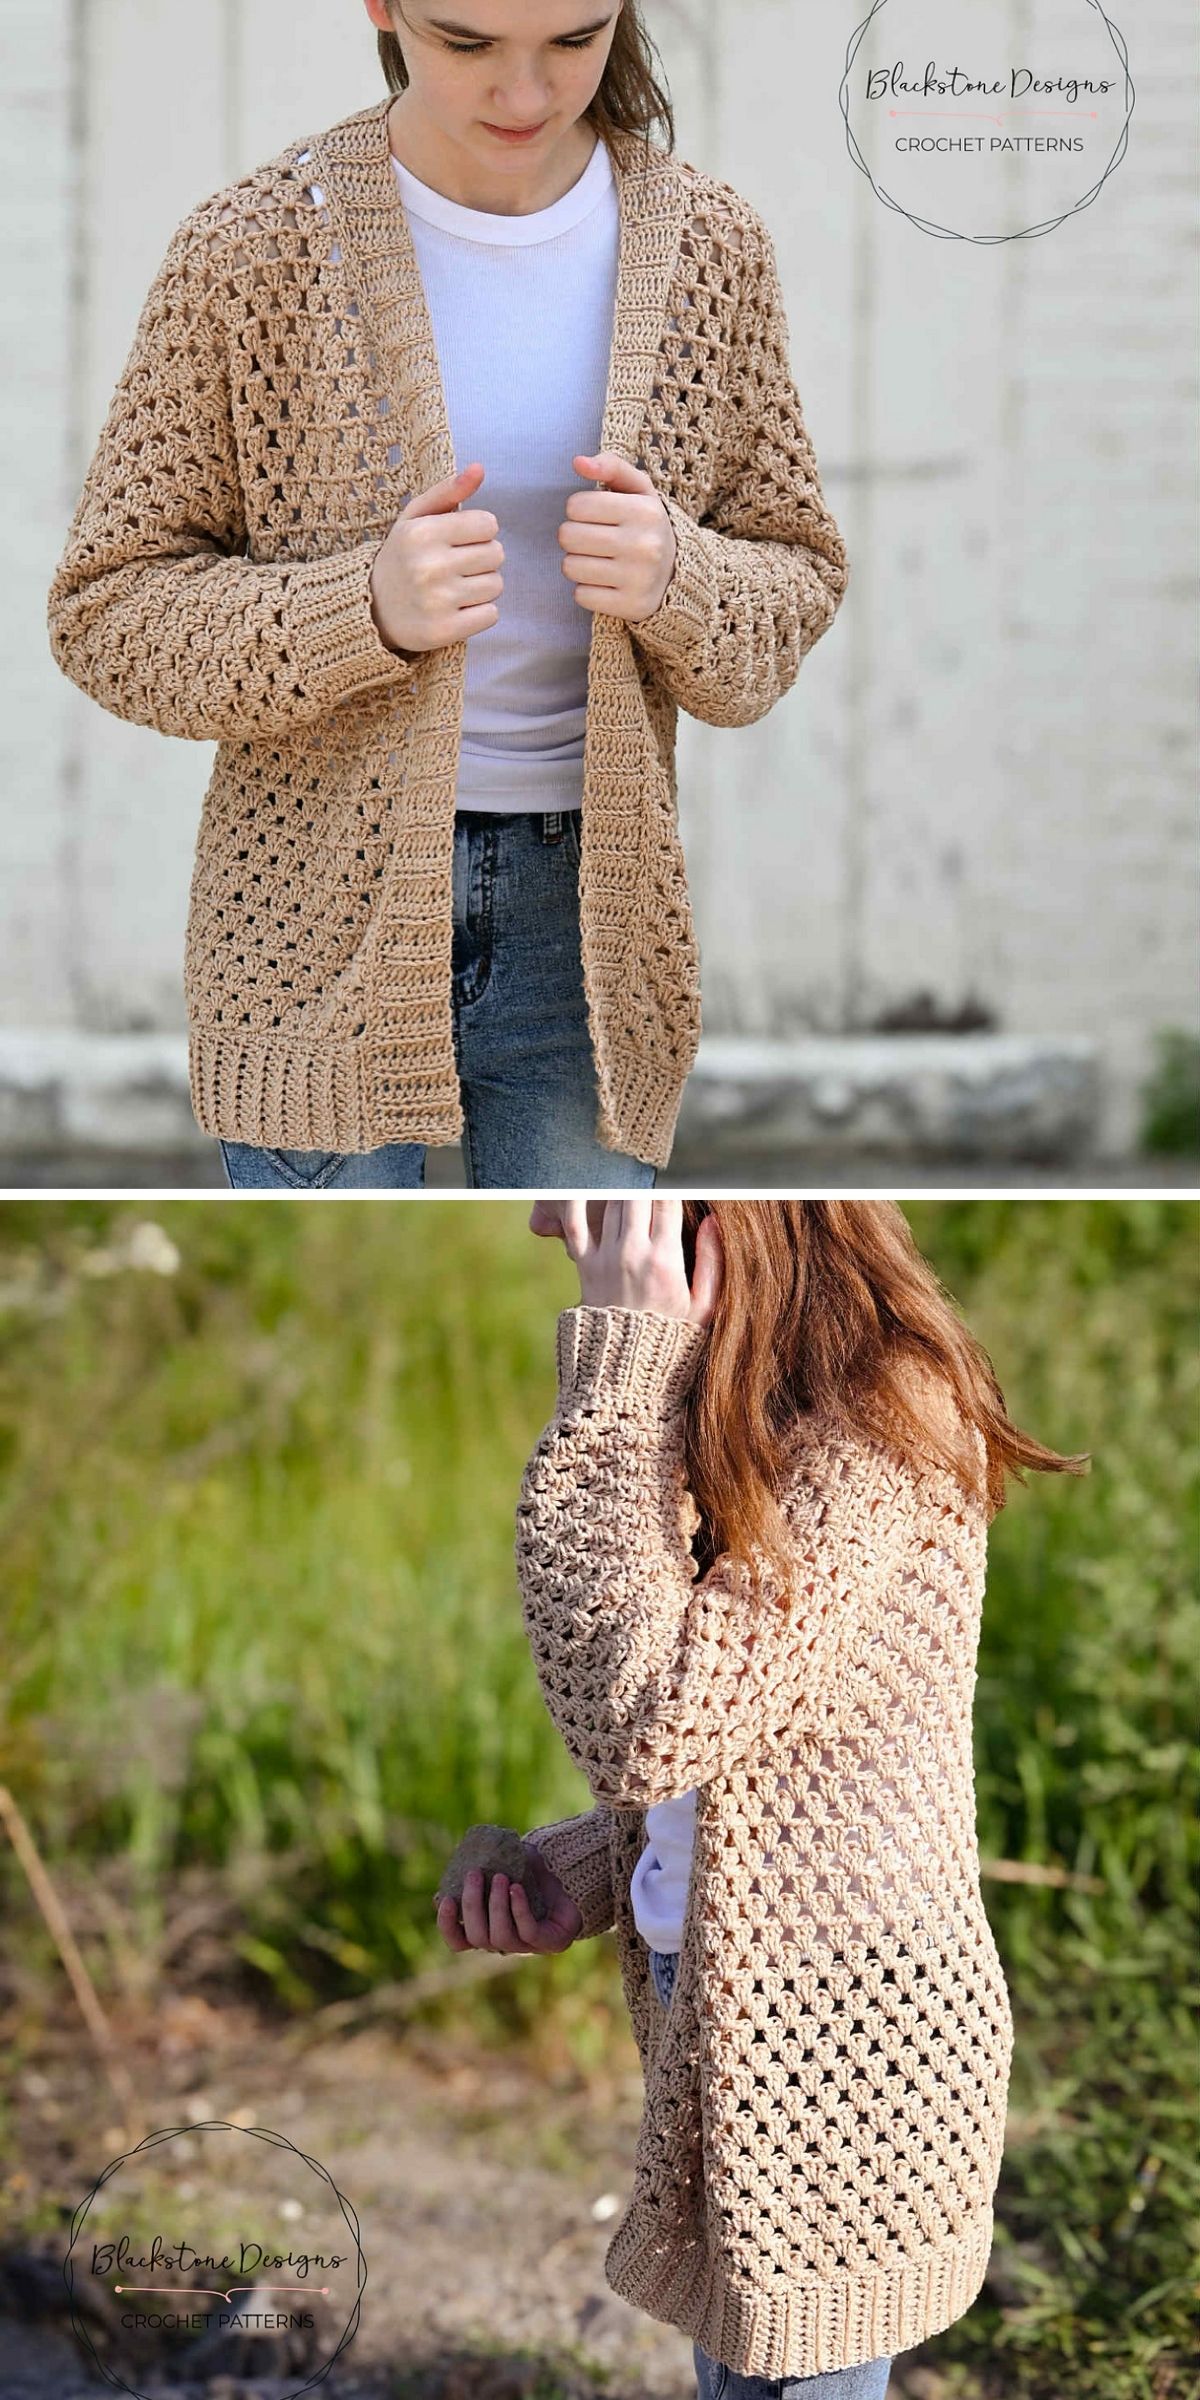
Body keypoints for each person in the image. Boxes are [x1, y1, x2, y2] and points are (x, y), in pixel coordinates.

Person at [45, 0, 847, 1192]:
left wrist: (681, 576)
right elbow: (106, 612)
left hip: (587, 927)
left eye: (574, 41)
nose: (524, 95)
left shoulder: (705, 252)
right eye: (467, 42)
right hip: (310, 924)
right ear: (383, 8)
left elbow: (797, 571)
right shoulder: (252, 249)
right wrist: (357, 611)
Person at [435, 1199, 1088, 2399]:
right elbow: (748, 1760)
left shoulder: (879, 1421)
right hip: (750, 2006)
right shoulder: (753, 1393)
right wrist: (583, 1871)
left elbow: (646, 1723)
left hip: (840, 2039)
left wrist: (614, 1382)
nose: (541, 1221)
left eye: (591, 1216)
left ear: (721, 1217)